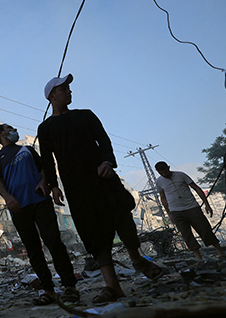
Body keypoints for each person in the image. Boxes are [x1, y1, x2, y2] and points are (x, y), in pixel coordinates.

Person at [38, 74, 163, 304]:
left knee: (122, 217)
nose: (69, 92)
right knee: (92, 231)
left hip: (103, 178)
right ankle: (112, 286)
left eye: (69, 88)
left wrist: (107, 162)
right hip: (77, 187)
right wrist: (54, 186)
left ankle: (138, 260)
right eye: (64, 89)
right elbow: (47, 160)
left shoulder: (85, 115)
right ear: (52, 95)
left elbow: (104, 142)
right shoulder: (45, 128)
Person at [0, 124, 79, 305]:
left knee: (53, 242)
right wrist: (7, 198)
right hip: (18, 208)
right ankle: (48, 290)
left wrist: (44, 182)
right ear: (1, 133)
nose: (14, 130)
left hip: (40, 202)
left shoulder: (27, 150)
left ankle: (70, 287)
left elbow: (43, 169)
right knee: (33, 250)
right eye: (10, 128)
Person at [155, 161, 226, 261]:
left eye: (165, 172)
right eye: (161, 173)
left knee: (205, 229)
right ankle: (199, 259)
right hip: (176, 211)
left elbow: (196, 188)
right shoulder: (159, 182)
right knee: (186, 234)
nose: (164, 175)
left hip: (192, 207)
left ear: (168, 168)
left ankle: (220, 252)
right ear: (158, 172)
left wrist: (206, 204)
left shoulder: (181, 175)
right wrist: (169, 214)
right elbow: (163, 198)